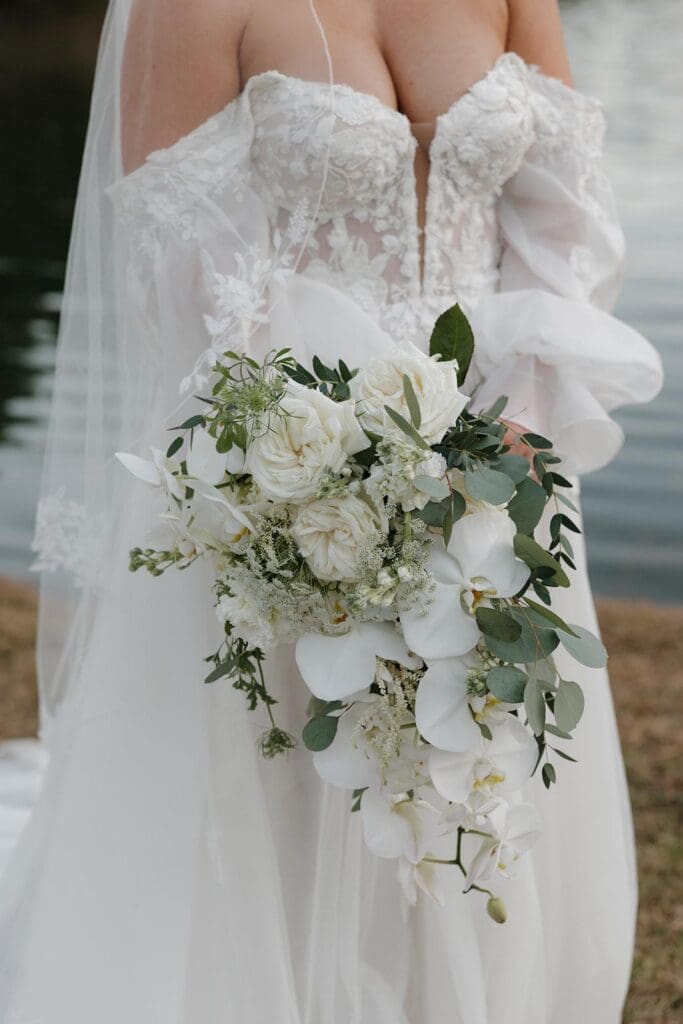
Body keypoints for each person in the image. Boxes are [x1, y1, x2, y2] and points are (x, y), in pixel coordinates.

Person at [0, 1, 662, 1021]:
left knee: (477, 790)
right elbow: (187, 287)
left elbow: (558, 214)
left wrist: (513, 444)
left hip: (497, 479)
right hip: (286, 490)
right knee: (293, 802)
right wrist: (334, 490)